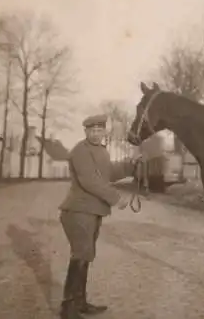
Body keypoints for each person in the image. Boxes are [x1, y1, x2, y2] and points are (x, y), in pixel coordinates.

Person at [58, 113, 133, 319]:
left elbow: (108, 173)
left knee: (85, 256)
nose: (97, 134)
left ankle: (80, 303)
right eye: (93, 130)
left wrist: (131, 165)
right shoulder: (80, 151)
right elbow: (90, 181)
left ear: (104, 131)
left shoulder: (101, 151)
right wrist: (116, 198)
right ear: (86, 131)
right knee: (81, 256)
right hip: (78, 212)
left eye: (100, 130)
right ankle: (68, 308)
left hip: (92, 211)